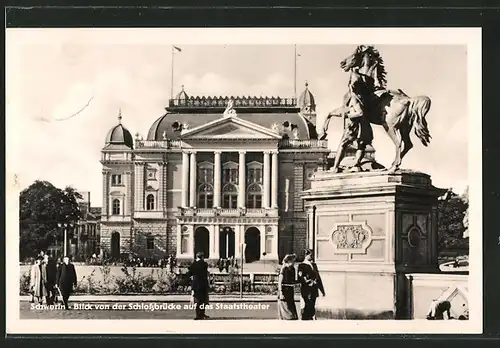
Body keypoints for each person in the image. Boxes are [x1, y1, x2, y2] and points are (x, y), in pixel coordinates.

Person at [329, 66, 377, 173]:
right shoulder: (364, 97)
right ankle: (356, 164)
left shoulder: (354, 98)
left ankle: (335, 167)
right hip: (364, 126)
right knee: (361, 146)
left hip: (354, 126)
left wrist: (348, 116)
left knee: (343, 145)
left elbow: (359, 113)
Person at [297, 249, 325, 320]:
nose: (312, 256)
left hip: (314, 289)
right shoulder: (301, 265)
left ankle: (308, 318)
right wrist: (310, 282)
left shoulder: (314, 265)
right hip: (306, 289)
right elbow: (301, 278)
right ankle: (306, 318)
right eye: (310, 255)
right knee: (308, 304)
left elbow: (318, 278)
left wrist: (322, 290)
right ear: (306, 255)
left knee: (312, 304)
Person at [187, 252, 210, 320]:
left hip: (196, 284)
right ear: (202, 257)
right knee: (203, 300)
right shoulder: (204, 264)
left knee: (197, 300)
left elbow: (189, 273)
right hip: (203, 284)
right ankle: (202, 314)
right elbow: (206, 274)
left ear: (197, 257)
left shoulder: (194, 264)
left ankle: (198, 315)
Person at [277, 254, 298, 320]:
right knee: (285, 307)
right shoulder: (283, 269)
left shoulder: (292, 269)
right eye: (293, 261)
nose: (294, 262)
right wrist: (281, 292)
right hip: (284, 289)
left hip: (290, 290)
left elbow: (294, 280)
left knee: (291, 306)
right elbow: (280, 282)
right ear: (289, 261)